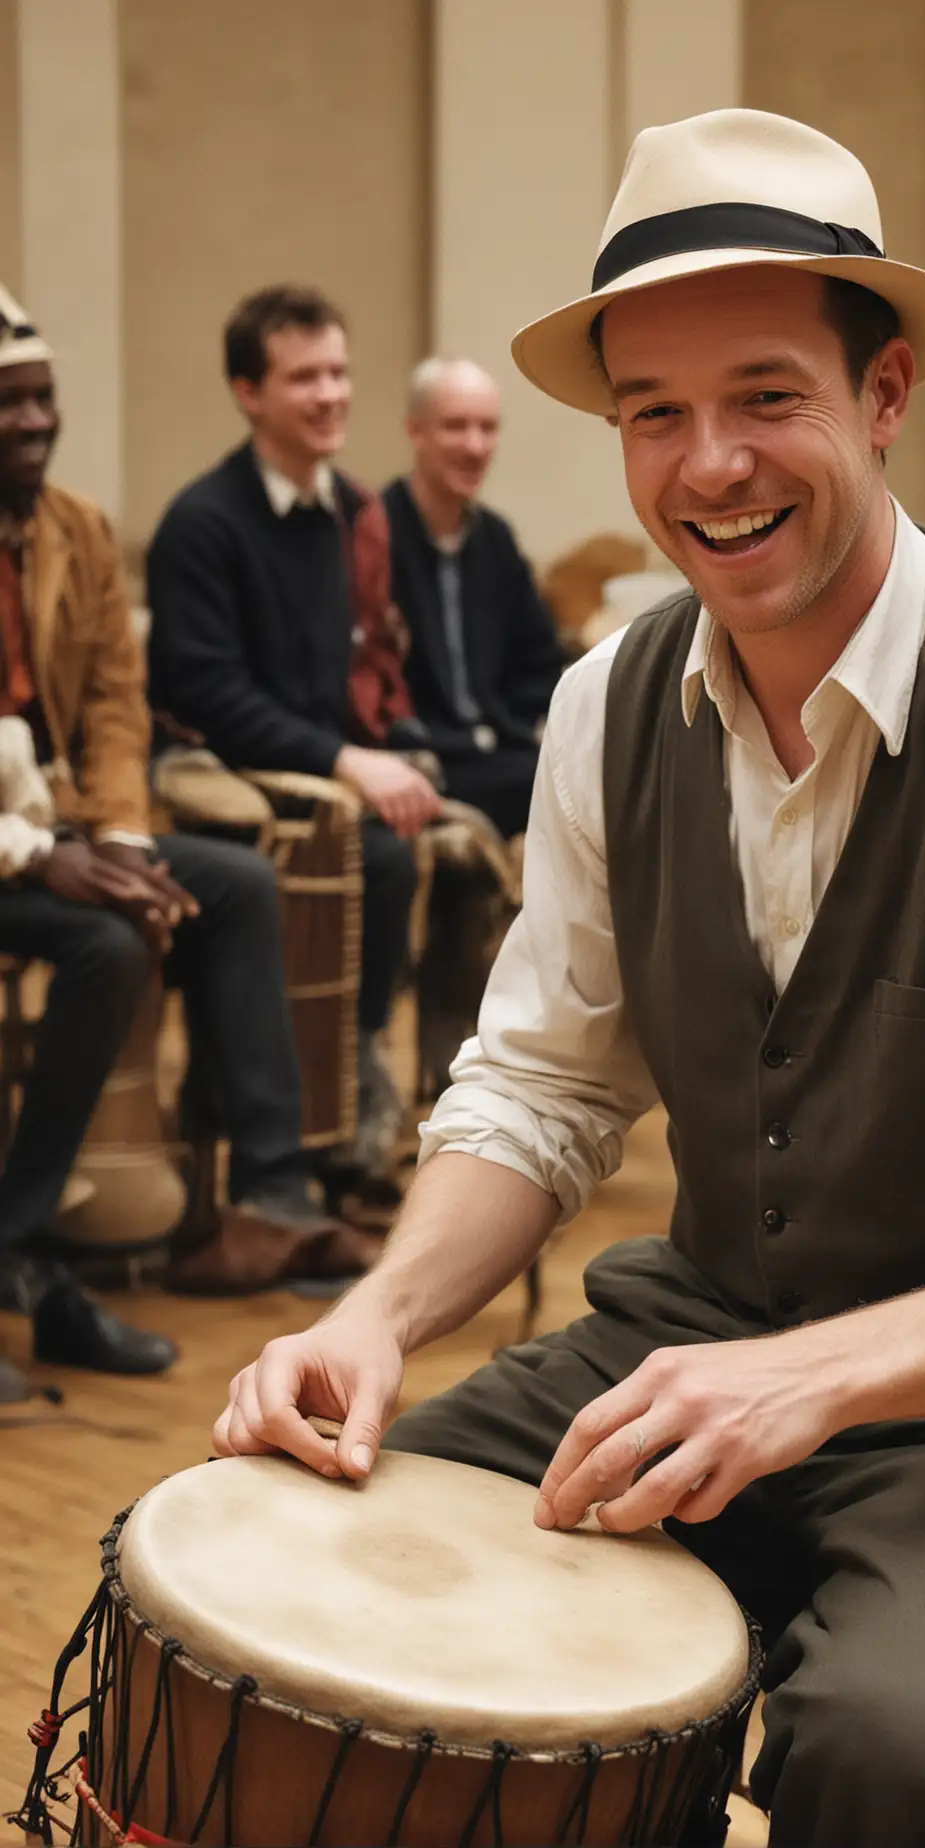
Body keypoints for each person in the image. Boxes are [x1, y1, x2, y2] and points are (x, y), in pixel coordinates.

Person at [212, 112, 925, 1845]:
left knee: (883, 1742)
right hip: (693, 1339)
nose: (708, 462)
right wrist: (374, 1313)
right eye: (655, 411)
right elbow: (544, 1085)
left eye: (767, 394)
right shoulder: (604, 705)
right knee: (299, 1587)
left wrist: (823, 1377)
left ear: (883, 396)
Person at [0, 288, 371, 1396]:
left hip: (64, 823)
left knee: (235, 885)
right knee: (105, 948)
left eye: (42, 398)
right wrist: (38, 857)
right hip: (12, 849)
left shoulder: (75, 528)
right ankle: (28, 1256)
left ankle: (268, 1197)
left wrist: (117, 836)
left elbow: (118, 703)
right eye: (6, 404)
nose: (31, 421)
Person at [146, 287, 442, 1175]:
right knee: (379, 851)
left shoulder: (353, 511)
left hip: (322, 774)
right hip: (221, 784)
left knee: (432, 838)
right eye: (304, 376)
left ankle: (366, 1078)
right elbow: (206, 695)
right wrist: (349, 760)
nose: (331, 395)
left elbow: (355, 678)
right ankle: (321, 1098)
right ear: (248, 392)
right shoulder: (202, 522)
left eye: (341, 372)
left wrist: (394, 748)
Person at [383, 360, 563, 841]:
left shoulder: (495, 539)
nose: (475, 446)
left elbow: (540, 659)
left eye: (487, 428)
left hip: (498, 747)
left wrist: (517, 723)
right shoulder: (374, 533)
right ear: (415, 431)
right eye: (455, 427)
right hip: (420, 759)